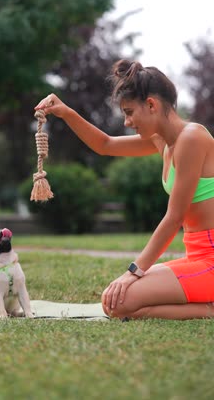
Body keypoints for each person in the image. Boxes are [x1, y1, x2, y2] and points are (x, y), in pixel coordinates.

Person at [35, 59, 214, 320]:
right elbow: (105, 144)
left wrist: (133, 271)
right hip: (197, 258)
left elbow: (174, 217)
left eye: (129, 112)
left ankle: (208, 309)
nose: (127, 122)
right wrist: (66, 112)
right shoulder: (162, 141)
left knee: (122, 301)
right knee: (115, 302)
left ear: (151, 104)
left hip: (210, 262)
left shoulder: (192, 138)